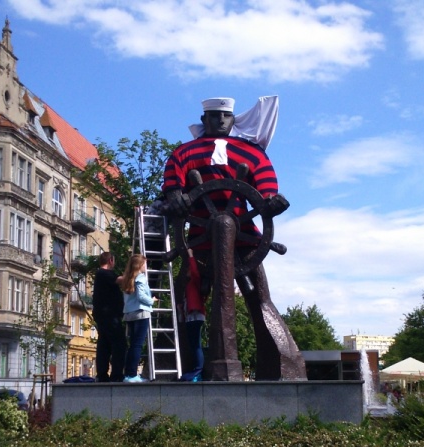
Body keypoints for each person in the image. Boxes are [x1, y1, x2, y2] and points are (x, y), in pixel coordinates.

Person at [162, 96, 305, 381]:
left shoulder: (252, 153)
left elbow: (265, 184)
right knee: (187, 299)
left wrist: (271, 200)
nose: (221, 121)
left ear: (233, 119)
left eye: (226, 117)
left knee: (259, 298)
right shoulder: (184, 153)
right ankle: (185, 364)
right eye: (215, 116)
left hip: (245, 242)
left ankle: (280, 363)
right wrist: (175, 196)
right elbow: (172, 181)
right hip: (200, 243)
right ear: (205, 120)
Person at [92, 252, 126, 382]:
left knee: (104, 344)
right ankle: (116, 374)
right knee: (119, 344)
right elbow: (120, 280)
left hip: (104, 315)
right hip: (110, 316)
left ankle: (102, 374)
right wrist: (134, 273)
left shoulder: (100, 274)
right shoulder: (104, 273)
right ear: (111, 260)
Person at [121, 254, 154, 383]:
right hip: (141, 312)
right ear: (140, 265)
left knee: (133, 345)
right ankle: (133, 375)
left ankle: (129, 374)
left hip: (130, 314)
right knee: (137, 345)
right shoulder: (141, 277)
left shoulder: (128, 278)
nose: (146, 266)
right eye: (145, 264)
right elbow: (141, 296)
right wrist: (151, 300)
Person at [179, 250, 206, 381]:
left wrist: (191, 256)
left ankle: (198, 370)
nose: (187, 271)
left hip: (195, 315)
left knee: (195, 344)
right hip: (191, 316)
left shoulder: (196, 281)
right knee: (193, 343)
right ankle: (196, 369)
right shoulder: (190, 284)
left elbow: (195, 272)